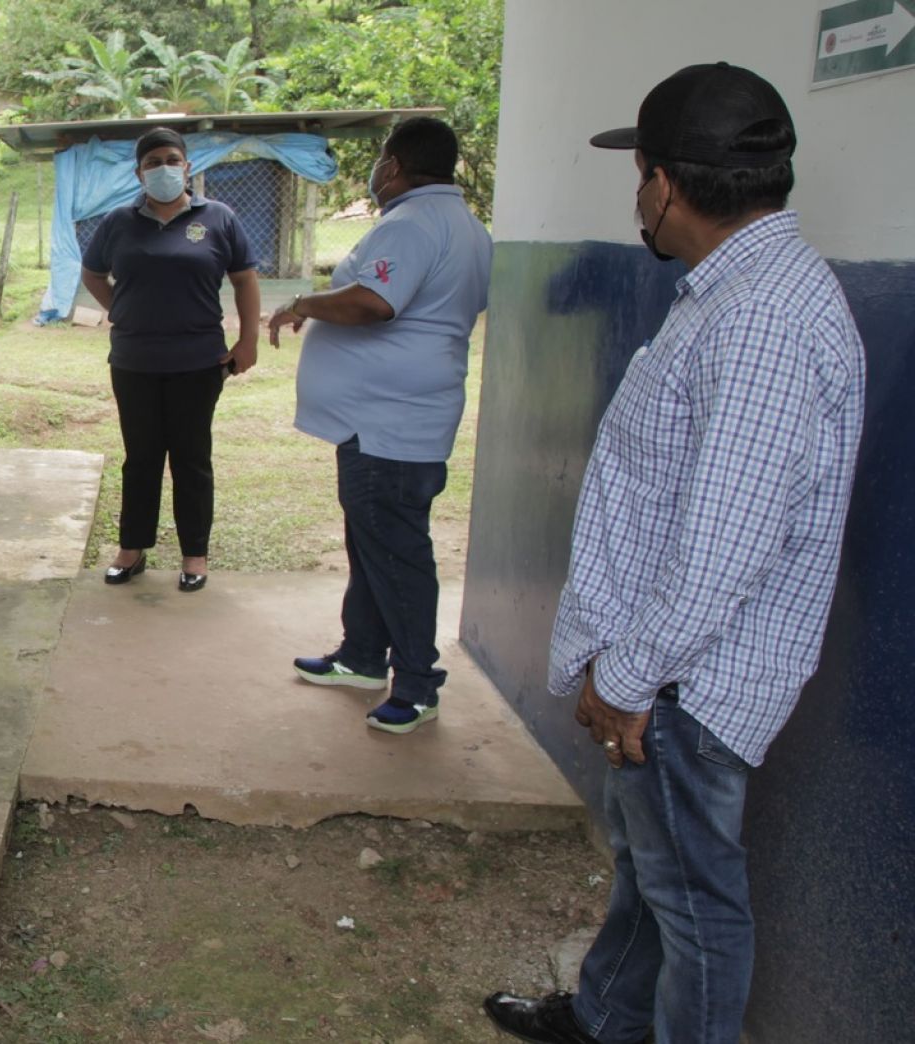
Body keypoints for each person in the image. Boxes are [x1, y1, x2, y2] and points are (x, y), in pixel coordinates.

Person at [482, 63, 865, 1044]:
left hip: (684, 682)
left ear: (663, 185)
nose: (636, 195)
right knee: (656, 873)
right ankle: (606, 1018)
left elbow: (726, 544)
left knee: (696, 905)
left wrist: (627, 677)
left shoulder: (762, 317)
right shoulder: (738, 291)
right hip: (670, 670)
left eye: (638, 173)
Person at [268, 116, 493, 735]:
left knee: (397, 553)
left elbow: (375, 302)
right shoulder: (465, 225)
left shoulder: (413, 223)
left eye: (380, 161)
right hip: (394, 421)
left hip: (388, 426)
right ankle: (363, 655)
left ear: (392, 165)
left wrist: (303, 304)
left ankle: (417, 685)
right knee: (374, 541)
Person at [80, 127, 260, 593]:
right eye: (153, 162)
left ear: (187, 166)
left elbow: (244, 279)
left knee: (191, 458)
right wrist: (119, 308)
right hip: (134, 362)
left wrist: (248, 341)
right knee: (140, 457)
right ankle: (132, 549)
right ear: (139, 173)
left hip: (198, 362)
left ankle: (194, 554)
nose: (164, 168)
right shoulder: (118, 222)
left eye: (172, 160)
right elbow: (93, 273)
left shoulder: (218, 217)